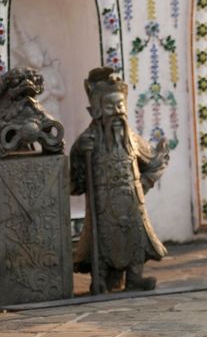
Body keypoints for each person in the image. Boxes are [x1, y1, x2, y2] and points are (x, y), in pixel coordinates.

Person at [70, 67, 170, 293]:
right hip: (102, 206)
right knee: (102, 240)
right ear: (96, 110)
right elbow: (74, 183)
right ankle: (102, 279)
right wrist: (78, 156)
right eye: (109, 107)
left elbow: (155, 162)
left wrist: (143, 185)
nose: (116, 113)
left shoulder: (133, 140)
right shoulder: (88, 142)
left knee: (135, 238)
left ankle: (134, 278)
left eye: (120, 107)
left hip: (131, 203)